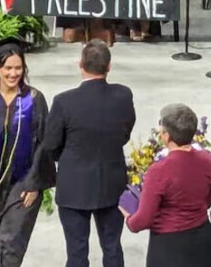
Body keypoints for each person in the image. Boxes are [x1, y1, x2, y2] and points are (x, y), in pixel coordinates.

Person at [43, 39, 136, 267]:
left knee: (76, 254)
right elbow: (125, 132)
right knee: (112, 248)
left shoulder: (64, 102)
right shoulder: (123, 95)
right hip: (111, 185)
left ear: (80, 65)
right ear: (109, 66)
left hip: (74, 187)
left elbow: (51, 145)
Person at [0, 37, 56, 267]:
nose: (13, 73)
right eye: (8, 68)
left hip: (23, 185)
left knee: (10, 246)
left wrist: (35, 184)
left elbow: (44, 144)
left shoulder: (34, 100)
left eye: (18, 68)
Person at [121, 104, 211, 267]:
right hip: (201, 240)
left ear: (166, 136)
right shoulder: (207, 160)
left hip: (170, 247)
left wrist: (129, 218)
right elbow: (207, 201)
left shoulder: (159, 171)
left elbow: (143, 220)